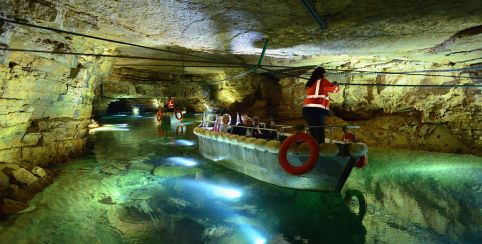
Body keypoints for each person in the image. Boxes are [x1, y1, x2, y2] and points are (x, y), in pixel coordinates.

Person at [303, 67, 339, 143]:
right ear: (322, 74)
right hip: (317, 110)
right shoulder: (322, 81)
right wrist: (336, 85)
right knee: (319, 132)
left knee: (312, 132)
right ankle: (320, 151)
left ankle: (313, 149)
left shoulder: (310, 82)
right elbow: (334, 89)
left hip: (306, 110)